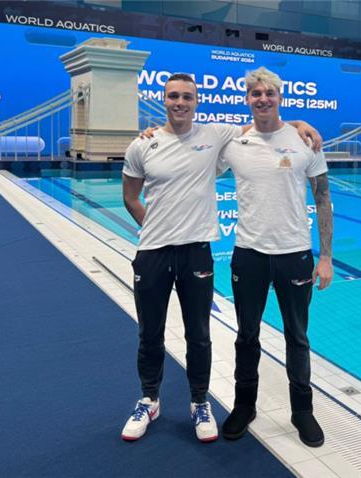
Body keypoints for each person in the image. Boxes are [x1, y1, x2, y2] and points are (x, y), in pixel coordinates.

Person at [120, 73, 322, 443]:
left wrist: (298, 123)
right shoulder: (144, 144)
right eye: (173, 96)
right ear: (163, 100)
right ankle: (150, 399)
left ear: (197, 102)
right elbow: (130, 195)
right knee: (151, 332)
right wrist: (155, 228)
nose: (180, 102)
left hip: (203, 250)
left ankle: (203, 403)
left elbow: (267, 124)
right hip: (161, 252)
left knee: (202, 334)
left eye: (187, 97)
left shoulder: (215, 135)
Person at [219, 67, 333, 448]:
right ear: (247, 99)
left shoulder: (306, 141)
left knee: (297, 337)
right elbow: (189, 146)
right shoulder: (234, 142)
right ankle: (244, 405)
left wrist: (326, 256)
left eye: (269, 92)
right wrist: (153, 134)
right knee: (246, 336)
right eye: (256, 93)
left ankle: (302, 411)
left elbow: (322, 198)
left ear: (280, 96)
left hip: (294, 255)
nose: (263, 98)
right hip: (249, 253)